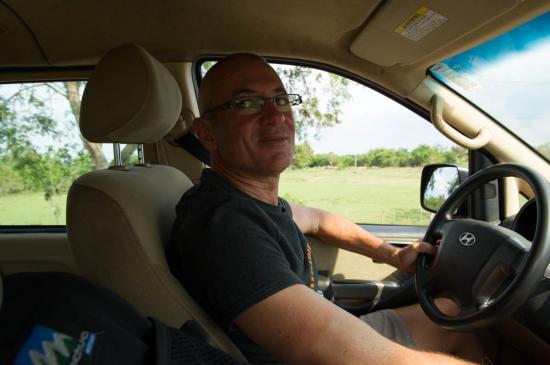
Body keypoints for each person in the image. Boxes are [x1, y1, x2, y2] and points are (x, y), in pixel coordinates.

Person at [167, 53, 489, 365]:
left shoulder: (250, 203)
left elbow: (321, 221)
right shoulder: (223, 224)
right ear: (206, 133)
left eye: (280, 100)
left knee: (451, 314)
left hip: (329, 340)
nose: (276, 115)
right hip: (323, 354)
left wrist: (391, 254)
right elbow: (322, 347)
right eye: (246, 103)